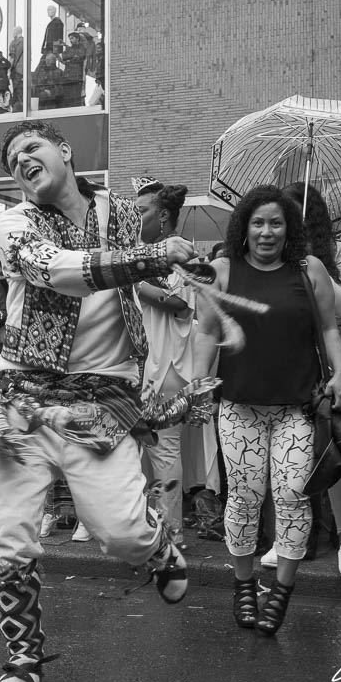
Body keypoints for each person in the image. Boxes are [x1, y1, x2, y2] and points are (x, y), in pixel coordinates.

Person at [0, 120, 195, 682]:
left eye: (31, 147)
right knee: (11, 537)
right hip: (25, 395)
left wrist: (179, 270)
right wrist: (151, 256)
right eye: (13, 160)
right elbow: (58, 271)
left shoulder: (123, 214)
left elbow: (137, 272)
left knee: (122, 534)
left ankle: (158, 548)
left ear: (65, 151)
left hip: (100, 396)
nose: (22, 160)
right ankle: (24, 655)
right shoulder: (15, 223)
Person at [198, 184, 341, 636]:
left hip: (297, 407)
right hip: (239, 406)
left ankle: (282, 591)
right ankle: (244, 585)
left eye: (276, 223)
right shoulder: (222, 271)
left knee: (292, 497)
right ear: (244, 227)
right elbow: (207, 333)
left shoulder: (309, 269)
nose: (267, 232)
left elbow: (329, 327)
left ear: (289, 229)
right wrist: (197, 383)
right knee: (244, 499)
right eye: (258, 223)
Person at [270, 182, 341, 578]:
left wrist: (315, 268)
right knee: (288, 449)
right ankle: (288, 536)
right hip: (288, 356)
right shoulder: (274, 255)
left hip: (328, 358)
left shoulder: (338, 251)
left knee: (332, 444)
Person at [133, 181, 195, 545]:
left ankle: (171, 532)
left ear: (164, 215)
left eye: (143, 211)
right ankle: (143, 527)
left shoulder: (182, 252)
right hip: (138, 364)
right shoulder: (138, 253)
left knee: (164, 449)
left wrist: (135, 282)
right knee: (135, 449)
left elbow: (180, 302)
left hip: (167, 365)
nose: (136, 217)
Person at [7, 26, 25, 112]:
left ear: (16, 32)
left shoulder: (14, 43)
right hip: (24, 70)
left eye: (13, 32)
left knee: (16, 90)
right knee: (23, 90)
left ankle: (16, 109)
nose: (12, 34)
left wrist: (8, 70)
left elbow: (12, 58)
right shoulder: (26, 41)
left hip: (17, 71)